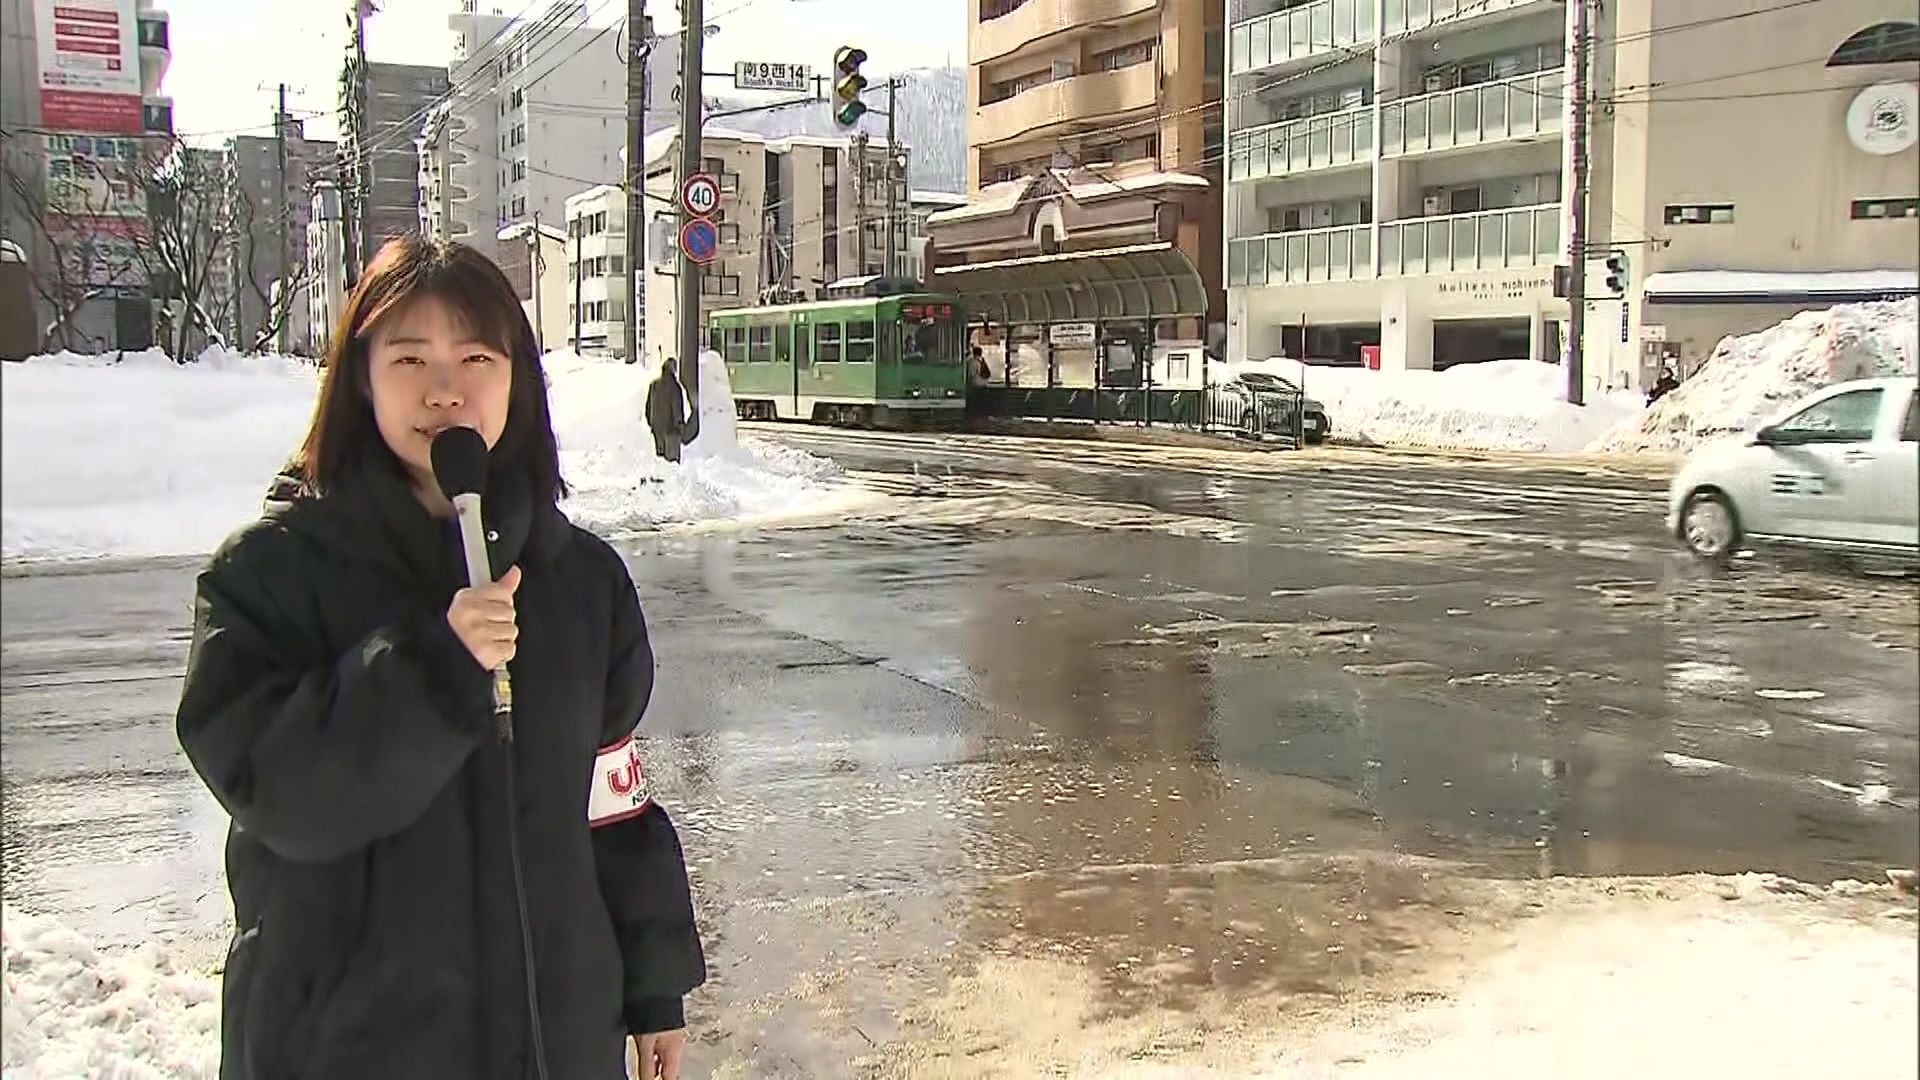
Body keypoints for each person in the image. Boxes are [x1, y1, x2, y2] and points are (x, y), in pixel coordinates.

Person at [175, 236, 705, 1080]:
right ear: (359, 377)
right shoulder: (269, 576)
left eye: (476, 356)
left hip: (556, 1039)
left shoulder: (578, 582)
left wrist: (652, 990)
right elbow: (284, 794)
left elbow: (612, 804)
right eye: (409, 357)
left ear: (517, 382)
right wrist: (434, 670)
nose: (444, 388)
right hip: (344, 1047)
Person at [646, 356, 686, 464]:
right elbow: (676, 408)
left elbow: (648, 408)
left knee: (660, 461)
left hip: (657, 429)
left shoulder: (654, 385)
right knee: (671, 464)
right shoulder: (674, 387)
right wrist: (680, 426)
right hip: (671, 430)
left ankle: (660, 479)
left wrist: (652, 423)